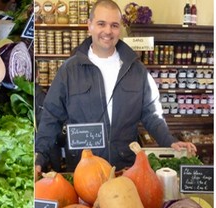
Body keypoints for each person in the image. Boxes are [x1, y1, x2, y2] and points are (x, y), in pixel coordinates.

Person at [34, 0, 197, 176]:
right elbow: (51, 117)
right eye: (101, 24)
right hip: (84, 170)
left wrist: (169, 141)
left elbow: (152, 114)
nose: (108, 31)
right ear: (90, 26)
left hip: (126, 168)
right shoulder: (69, 70)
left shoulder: (136, 70)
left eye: (114, 25)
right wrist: (39, 156)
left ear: (120, 29)